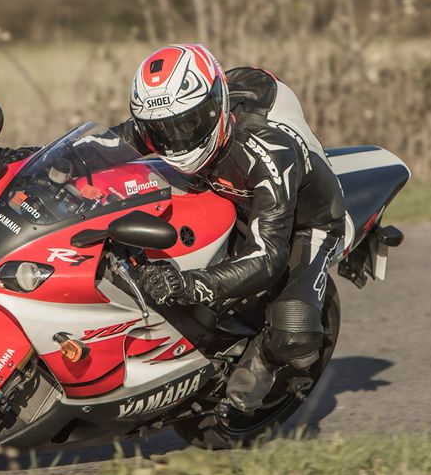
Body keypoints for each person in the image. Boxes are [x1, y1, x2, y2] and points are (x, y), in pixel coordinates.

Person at [110, 44, 347, 413]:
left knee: (294, 332)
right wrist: (33, 160)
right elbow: (104, 145)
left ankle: (266, 361)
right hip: (230, 197)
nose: (178, 141)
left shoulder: (268, 151)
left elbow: (269, 255)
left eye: (189, 126)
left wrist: (190, 285)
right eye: (164, 132)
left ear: (216, 108)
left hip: (304, 222)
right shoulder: (165, 126)